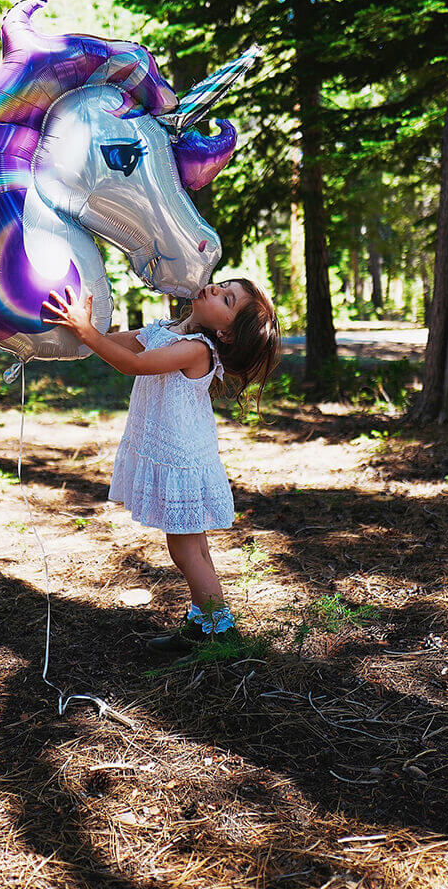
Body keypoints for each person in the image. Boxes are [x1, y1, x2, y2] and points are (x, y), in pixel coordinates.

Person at [42, 278, 281, 656]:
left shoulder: (197, 349)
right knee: (195, 550)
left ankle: (220, 636)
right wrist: (79, 333)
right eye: (223, 285)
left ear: (225, 332)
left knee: (186, 553)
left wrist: (86, 333)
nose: (215, 289)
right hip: (178, 454)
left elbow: (134, 364)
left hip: (180, 461)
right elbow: (122, 343)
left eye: (227, 298)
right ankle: (207, 623)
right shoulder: (170, 330)